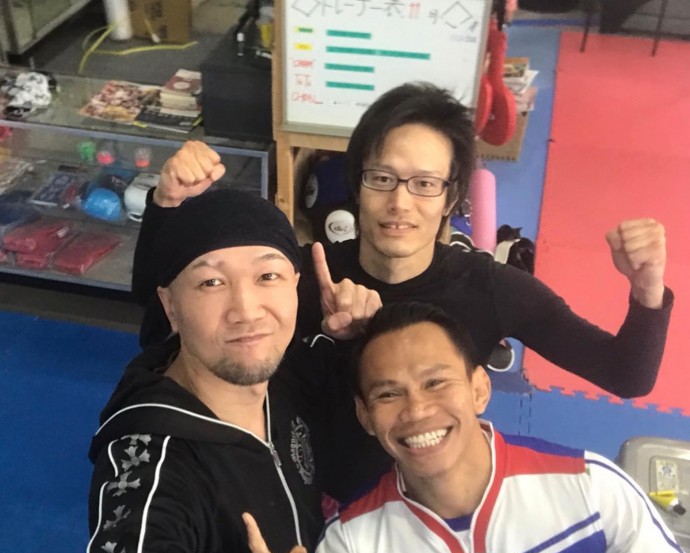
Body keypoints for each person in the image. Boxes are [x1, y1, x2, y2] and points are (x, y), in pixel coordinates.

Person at [246, 302, 690, 553]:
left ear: (479, 388)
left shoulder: (588, 485)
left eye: (435, 383)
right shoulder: (352, 540)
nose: (417, 410)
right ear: (365, 416)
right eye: (389, 393)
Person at [132, 82, 672, 400]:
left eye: (425, 184)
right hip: (302, 494)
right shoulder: (302, 275)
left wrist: (647, 290)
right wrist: (166, 206)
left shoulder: (494, 289)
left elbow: (625, 375)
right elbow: (162, 332)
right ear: (357, 183)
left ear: (451, 196)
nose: (400, 203)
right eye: (382, 178)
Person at [83, 189, 381, 553]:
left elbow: (364, 461)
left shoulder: (283, 372)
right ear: (170, 306)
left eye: (268, 276)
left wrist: (359, 343)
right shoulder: (149, 479)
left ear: (296, 287)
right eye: (211, 282)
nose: (246, 310)